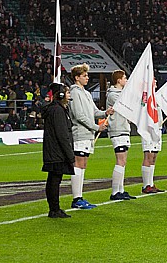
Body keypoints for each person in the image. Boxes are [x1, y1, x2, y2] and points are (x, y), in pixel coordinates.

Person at [69, 64, 112, 209]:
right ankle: (76, 198)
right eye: (84, 75)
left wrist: (106, 112)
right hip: (80, 133)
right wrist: (96, 127)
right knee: (78, 165)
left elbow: (94, 112)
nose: (87, 78)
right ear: (77, 78)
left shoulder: (86, 93)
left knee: (83, 165)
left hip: (88, 134)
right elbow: (79, 115)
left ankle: (79, 196)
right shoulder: (74, 93)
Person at [42, 83, 74, 219]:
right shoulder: (58, 111)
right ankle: (54, 209)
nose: (69, 95)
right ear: (60, 95)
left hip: (53, 150)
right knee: (55, 180)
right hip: (57, 152)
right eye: (67, 92)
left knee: (53, 179)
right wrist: (70, 155)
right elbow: (62, 135)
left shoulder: (56, 109)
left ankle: (54, 208)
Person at [106, 70, 136, 201]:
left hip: (124, 128)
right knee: (120, 160)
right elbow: (126, 105)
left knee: (123, 161)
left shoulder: (122, 93)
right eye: (125, 78)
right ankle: (114, 191)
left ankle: (121, 189)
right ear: (119, 80)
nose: (126, 80)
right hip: (117, 129)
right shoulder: (113, 95)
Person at [142, 78, 164, 194]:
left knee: (154, 156)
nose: (156, 82)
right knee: (148, 155)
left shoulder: (156, 96)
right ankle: (146, 185)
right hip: (149, 129)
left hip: (158, 129)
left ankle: (151, 183)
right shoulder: (146, 97)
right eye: (153, 80)